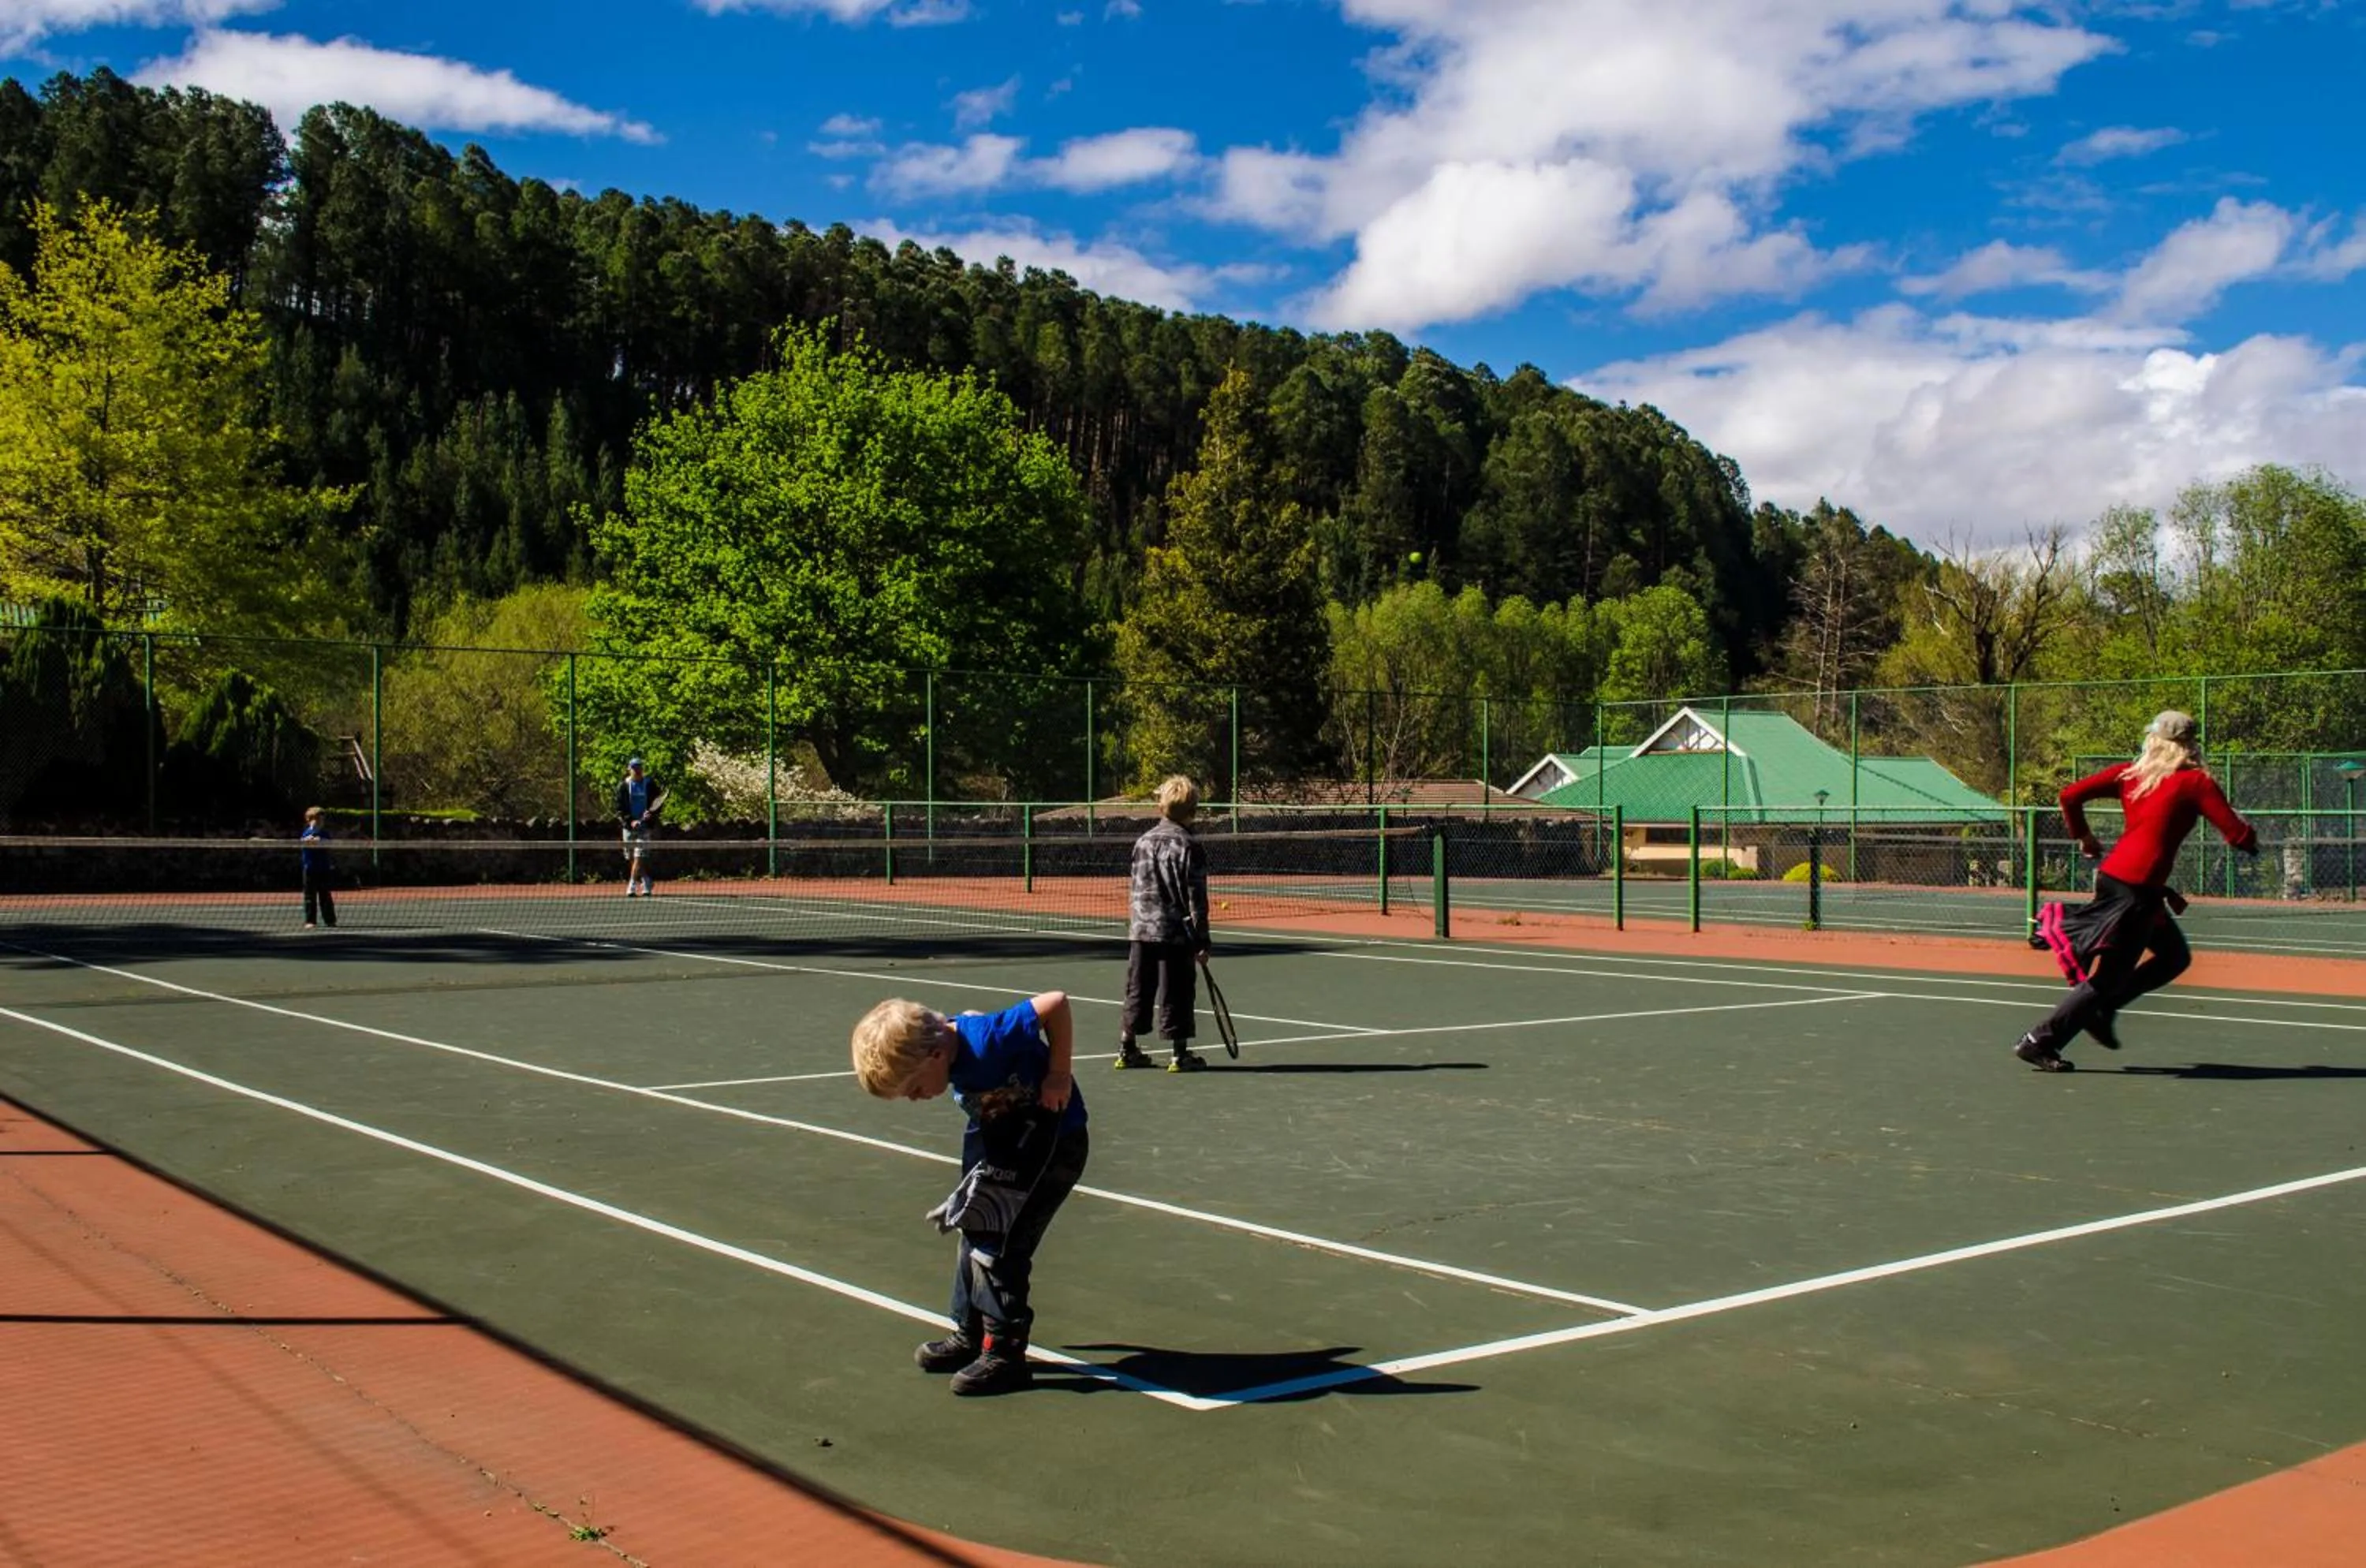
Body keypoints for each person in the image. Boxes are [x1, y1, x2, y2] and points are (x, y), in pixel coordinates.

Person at [850, 990, 1086, 1397]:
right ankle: (968, 1333)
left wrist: (1058, 1074)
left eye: (914, 1088)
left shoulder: (987, 1038)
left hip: (1053, 1146)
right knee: (973, 1231)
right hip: (1009, 1144)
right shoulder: (949, 1052)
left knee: (1000, 1247)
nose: (915, 1098)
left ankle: (1005, 1354)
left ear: (936, 1055)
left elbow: (1056, 1003)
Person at [2017, 710, 2257, 1072]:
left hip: (2120, 880)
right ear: (2190, 746)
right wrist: (2250, 836)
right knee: (2108, 979)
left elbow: (2069, 796)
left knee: (2174, 956)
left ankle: (2105, 1009)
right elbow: (2236, 836)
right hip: (2136, 892)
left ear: (2154, 740)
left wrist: (2083, 836)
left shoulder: (2130, 774)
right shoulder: (2196, 783)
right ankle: (2040, 1040)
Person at [1114, 774, 1212, 1073]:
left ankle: (1127, 1048)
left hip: (1140, 930)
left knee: (1138, 989)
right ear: (1193, 810)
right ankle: (1179, 1055)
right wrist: (1202, 941)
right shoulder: (1190, 846)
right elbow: (1197, 899)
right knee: (1178, 991)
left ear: (1161, 807)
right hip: (1174, 934)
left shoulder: (1143, 841)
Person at [613, 756, 660, 896]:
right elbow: (619, 808)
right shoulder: (623, 786)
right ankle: (646, 879)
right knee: (631, 857)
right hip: (629, 827)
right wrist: (630, 821)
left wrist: (651, 813)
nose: (637, 770)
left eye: (639, 767)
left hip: (645, 827)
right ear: (629, 769)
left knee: (639, 855)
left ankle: (632, 884)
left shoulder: (650, 784)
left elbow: (658, 802)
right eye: (634, 768)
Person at [299, 805, 337, 930]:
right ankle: (310, 921)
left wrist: (319, 839)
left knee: (325, 896)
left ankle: (330, 920)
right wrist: (310, 837)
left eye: (322, 819)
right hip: (309, 869)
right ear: (310, 820)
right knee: (309, 897)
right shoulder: (306, 833)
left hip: (323, 869)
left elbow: (326, 843)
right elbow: (305, 841)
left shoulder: (325, 833)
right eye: (318, 819)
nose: (321, 822)